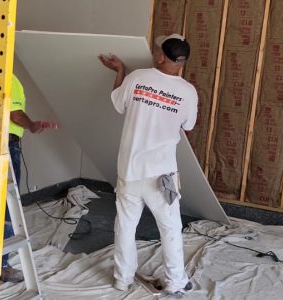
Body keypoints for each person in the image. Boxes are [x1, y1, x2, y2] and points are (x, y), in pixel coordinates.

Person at [98, 33, 198, 297]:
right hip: (162, 174)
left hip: (130, 170)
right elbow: (188, 126)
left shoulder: (137, 78)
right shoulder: (188, 92)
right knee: (170, 229)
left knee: (126, 226)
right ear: (181, 61)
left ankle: (122, 279)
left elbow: (118, 103)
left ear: (161, 56)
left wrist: (119, 71)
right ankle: (176, 281)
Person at [0, 32, 52, 283]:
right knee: (3, 205)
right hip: (4, 145)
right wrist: (33, 126)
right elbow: (15, 114)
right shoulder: (6, 78)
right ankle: (1, 266)